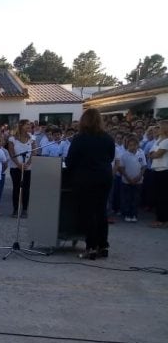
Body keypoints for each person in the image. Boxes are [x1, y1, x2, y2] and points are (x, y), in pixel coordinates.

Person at [64, 109, 116, 259]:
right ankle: (103, 246)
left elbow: (70, 161)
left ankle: (91, 247)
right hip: (105, 178)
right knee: (101, 212)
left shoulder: (80, 139)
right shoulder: (107, 138)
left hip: (85, 180)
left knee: (88, 213)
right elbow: (111, 157)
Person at [7, 119, 37, 218]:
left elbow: (34, 152)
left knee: (26, 189)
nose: (29, 126)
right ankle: (15, 210)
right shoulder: (12, 139)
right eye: (27, 124)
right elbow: (11, 153)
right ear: (21, 126)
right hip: (15, 167)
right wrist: (19, 164)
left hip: (28, 168)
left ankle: (24, 210)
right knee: (16, 188)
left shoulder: (32, 138)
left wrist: (27, 164)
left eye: (29, 124)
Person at [117, 135, 146, 223]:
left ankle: (134, 214)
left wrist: (139, 176)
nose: (132, 147)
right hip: (127, 181)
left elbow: (144, 166)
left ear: (137, 145)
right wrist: (128, 177)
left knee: (136, 198)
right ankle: (127, 214)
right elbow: (121, 168)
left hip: (138, 181)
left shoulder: (141, 153)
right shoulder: (124, 155)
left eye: (134, 145)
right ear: (127, 145)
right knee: (127, 198)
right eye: (130, 145)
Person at [148, 119, 168, 228]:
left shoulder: (167, 141)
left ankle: (162, 219)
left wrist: (153, 154)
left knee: (163, 197)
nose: (157, 129)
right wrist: (153, 154)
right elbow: (150, 152)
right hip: (157, 170)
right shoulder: (159, 140)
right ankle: (160, 217)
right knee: (158, 196)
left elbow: (157, 154)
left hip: (164, 171)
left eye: (159, 127)